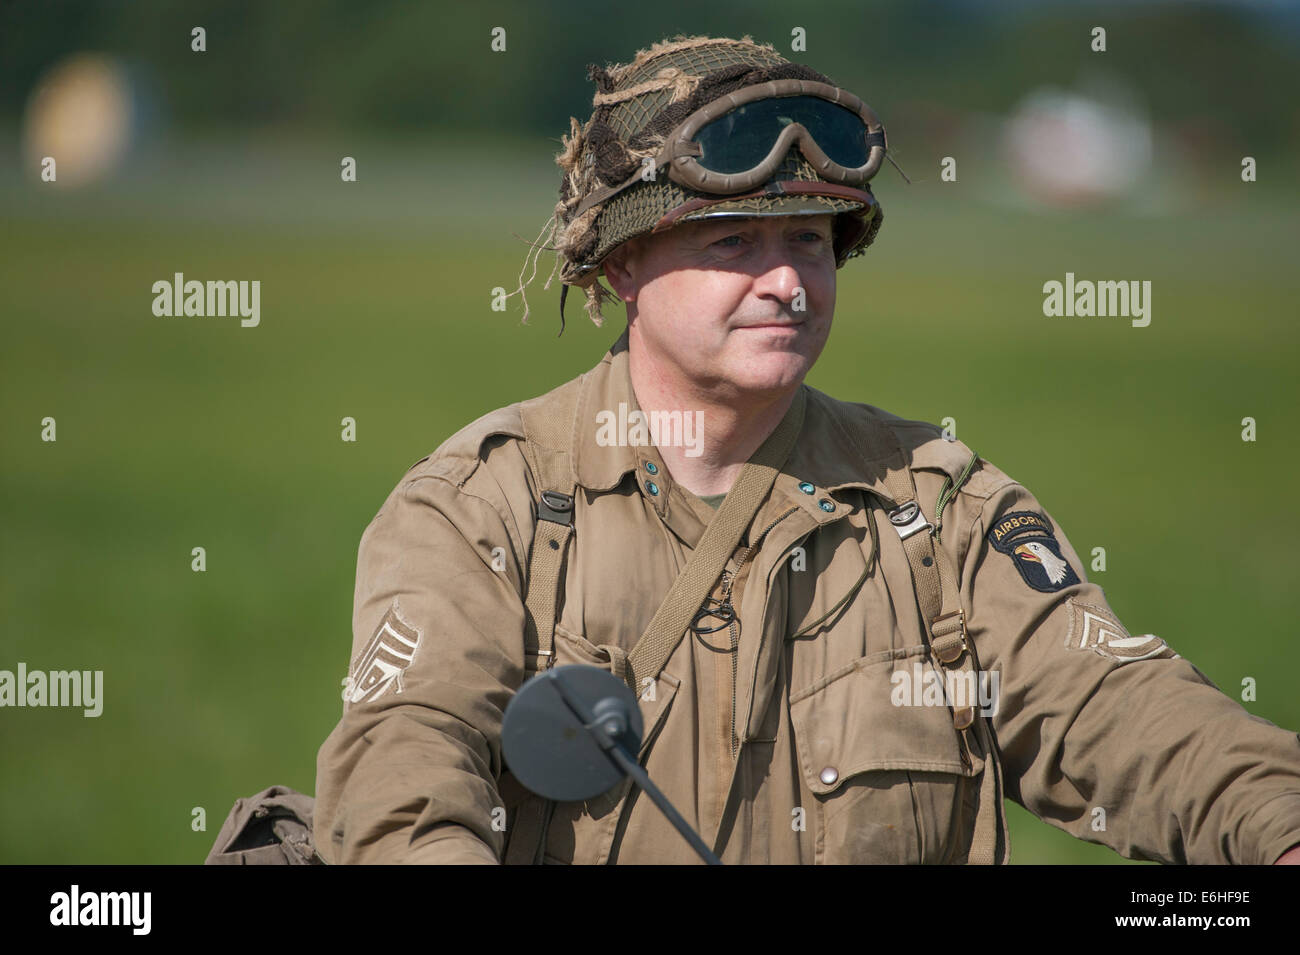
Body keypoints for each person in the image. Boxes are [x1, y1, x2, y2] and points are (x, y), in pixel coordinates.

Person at [313, 34, 1300, 864]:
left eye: (811, 243)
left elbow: (1123, 713)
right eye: (735, 244)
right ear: (622, 267)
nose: (787, 282)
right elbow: (403, 781)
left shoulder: (940, 512)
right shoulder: (485, 508)